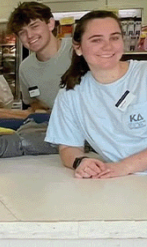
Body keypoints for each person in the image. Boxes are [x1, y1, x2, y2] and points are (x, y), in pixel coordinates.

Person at [46, 10, 147, 179]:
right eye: (96, 40)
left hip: (121, 174)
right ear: (78, 48)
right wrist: (81, 162)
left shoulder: (143, 75)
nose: (107, 46)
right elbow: (67, 147)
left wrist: (124, 166)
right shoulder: (71, 93)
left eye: (114, 37)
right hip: (121, 182)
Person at [0, 2, 73, 158]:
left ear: (50, 23)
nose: (29, 36)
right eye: (22, 32)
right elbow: (34, 103)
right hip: (55, 130)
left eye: (34, 26)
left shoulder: (77, 51)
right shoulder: (26, 68)